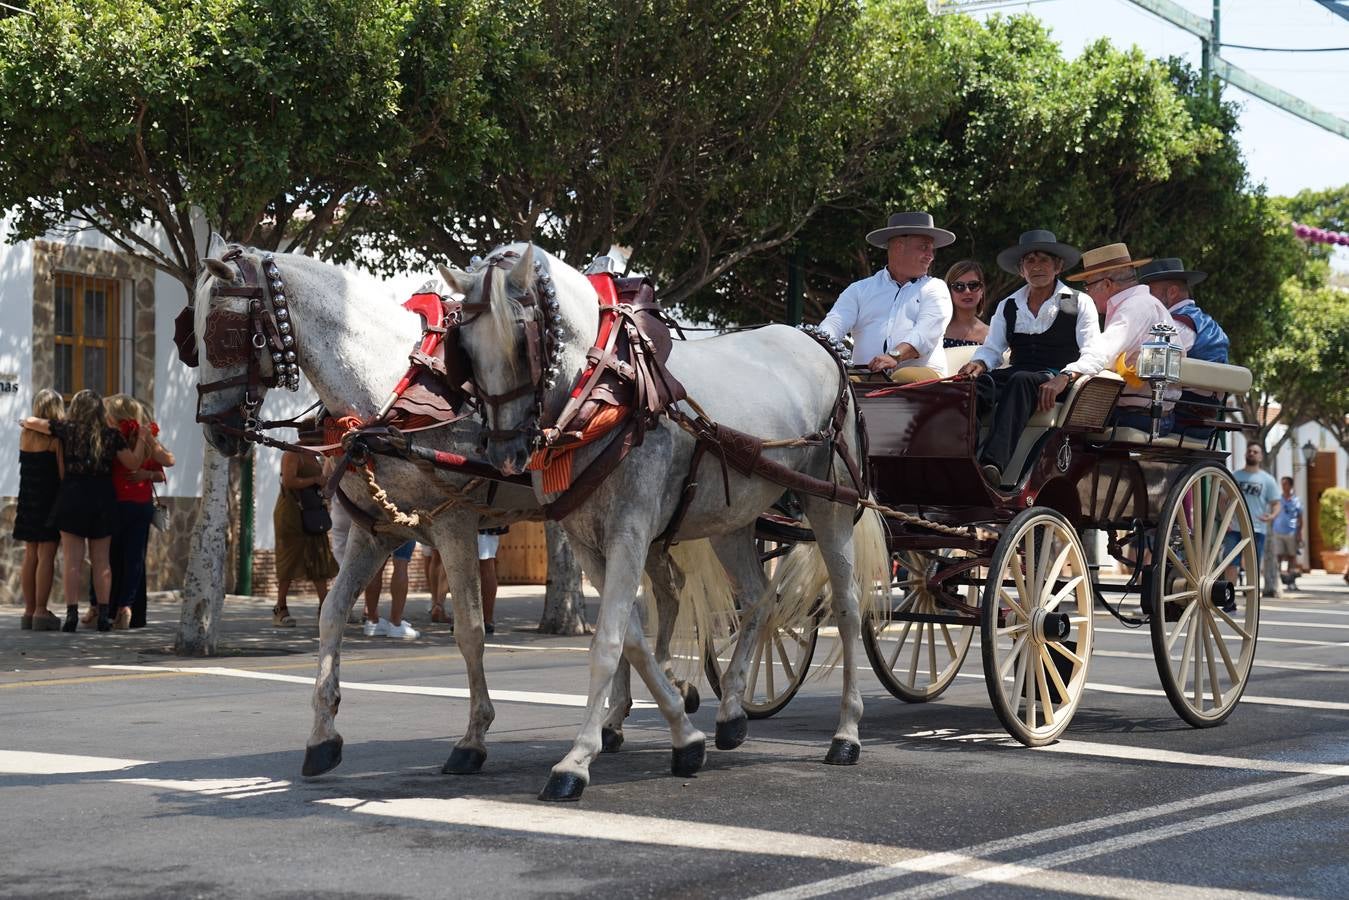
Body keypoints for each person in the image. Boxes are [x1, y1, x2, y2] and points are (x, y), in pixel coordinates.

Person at [958, 230, 1099, 483]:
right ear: (1021, 270)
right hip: (1018, 373)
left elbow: (1094, 353)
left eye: (1044, 260)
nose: (1037, 267)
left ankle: (991, 466)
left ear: (1058, 266)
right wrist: (978, 363)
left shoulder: (1078, 302)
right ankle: (960, 458)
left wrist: (1066, 377)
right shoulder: (1008, 304)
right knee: (972, 387)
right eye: (1030, 261)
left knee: (1021, 380)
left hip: (1056, 377)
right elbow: (992, 349)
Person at [21, 389, 149, 631]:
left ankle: (71, 616)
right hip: (102, 499)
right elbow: (132, 462)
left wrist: (26, 422)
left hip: (71, 497)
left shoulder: (67, 429)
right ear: (101, 410)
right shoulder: (111, 435)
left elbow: (29, 421)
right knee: (102, 562)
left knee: (72, 561)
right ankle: (102, 616)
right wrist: (142, 437)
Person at [819, 211, 954, 382]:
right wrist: (818, 345)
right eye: (924, 247)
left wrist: (894, 356)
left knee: (904, 376)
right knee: (838, 383)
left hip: (922, 379)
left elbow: (926, 333)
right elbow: (834, 324)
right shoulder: (859, 289)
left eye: (931, 249)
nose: (931, 255)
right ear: (898, 246)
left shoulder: (936, 288)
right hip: (865, 375)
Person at [1064, 243, 1179, 431]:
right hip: (1142, 411)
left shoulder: (1135, 307)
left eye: (1087, 287)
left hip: (1144, 415)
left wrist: (1064, 370)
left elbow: (1101, 355)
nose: (1087, 294)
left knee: (1058, 416)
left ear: (1107, 284)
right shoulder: (1138, 304)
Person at [102, 395, 174, 630]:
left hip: (115, 504)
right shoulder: (138, 436)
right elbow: (167, 462)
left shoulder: (112, 436)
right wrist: (147, 440)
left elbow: (164, 467)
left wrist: (146, 474)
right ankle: (128, 607)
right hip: (139, 506)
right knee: (134, 559)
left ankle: (112, 610)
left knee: (113, 559)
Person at [1138, 258, 1230, 438]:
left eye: (1150, 293)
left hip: (1180, 418)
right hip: (1202, 418)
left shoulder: (1176, 326)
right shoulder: (1204, 322)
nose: (1146, 300)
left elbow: (1149, 364)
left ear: (1172, 292)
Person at [13, 389, 65, 631]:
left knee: (30, 555)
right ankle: (42, 611)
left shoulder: (25, 435)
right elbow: (62, 474)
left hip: (27, 499)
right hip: (49, 500)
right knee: (46, 555)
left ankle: (29, 610)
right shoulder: (55, 439)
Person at [272, 443, 339, 627]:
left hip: (312, 513)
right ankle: (281, 608)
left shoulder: (314, 455)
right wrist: (315, 480)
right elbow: (288, 481)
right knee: (289, 560)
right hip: (291, 514)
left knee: (319, 558)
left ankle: (325, 608)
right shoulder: (293, 454)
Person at [1223, 443, 1280, 587]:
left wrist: (1272, 516)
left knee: (1252, 565)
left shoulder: (1267, 479)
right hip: (1234, 528)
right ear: (1245, 454)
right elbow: (1222, 498)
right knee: (1230, 563)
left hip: (1257, 528)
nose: (1252, 453)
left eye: (1256, 451)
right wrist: (1226, 519)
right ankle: (1230, 600)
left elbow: (1276, 503)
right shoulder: (1235, 475)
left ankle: (1252, 599)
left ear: (1260, 456)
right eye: (1249, 451)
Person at [361, 540, 420, 639]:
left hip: (376, 525)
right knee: (401, 563)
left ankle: (372, 621)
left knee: (376, 565)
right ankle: (396, 624)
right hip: (403, 526)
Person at [942, 260, 990, 349]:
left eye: (973, 285)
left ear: (982, 290)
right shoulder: (935, 331)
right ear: (948, 290)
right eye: (959, 286)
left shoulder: (992, 336)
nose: (967, 291)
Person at [1271, 476, 1304, 591]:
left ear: (1290, 486)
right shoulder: (1278, 499)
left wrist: (1299, 533)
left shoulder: (1296, 500)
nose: (1283, 486)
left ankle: (1291, 582)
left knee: (1292, 557)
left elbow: (1300, 518)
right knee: (1278, 556)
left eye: (1285, 484)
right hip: (1278, 532)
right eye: (1282, 484)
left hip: (1291, 532)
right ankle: (1277, 580)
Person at [478, 526, 507, 634]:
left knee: (486, 566)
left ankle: (487, 619)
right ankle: (467, 618)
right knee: (464, 569)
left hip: (484, 525)